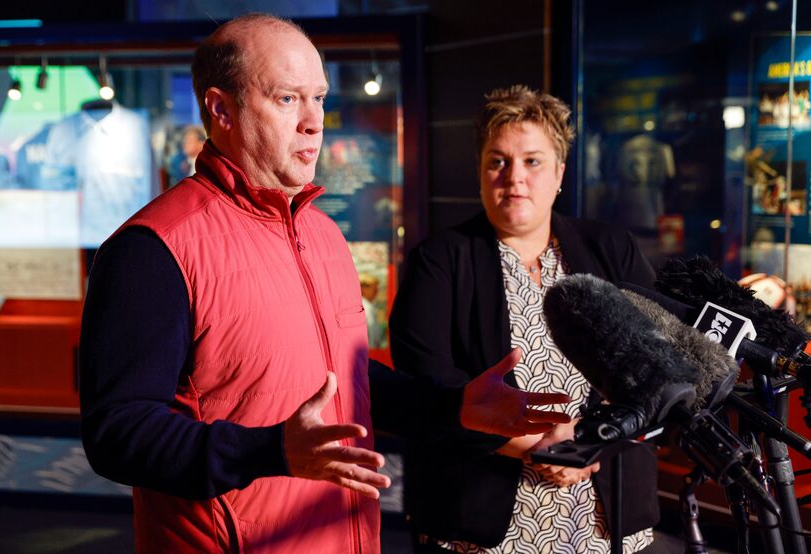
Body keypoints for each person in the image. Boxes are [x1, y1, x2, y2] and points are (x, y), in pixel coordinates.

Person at [79, 15, 572, 554]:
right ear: (221, 109)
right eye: (288, 98)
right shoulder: (153, 249)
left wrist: (454, 408)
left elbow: (349, 382)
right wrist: (270, 451)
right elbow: (118, 435)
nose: (314, 121)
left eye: (318, 98)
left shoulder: (323, 234)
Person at [389, 85, 660, 553]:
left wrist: (591, 442)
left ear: (559, 173)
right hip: (482, 516)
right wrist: (538, 446)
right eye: (498, 161)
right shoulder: (439, 260)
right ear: (479, 171)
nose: (514, 177)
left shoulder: (611, 249)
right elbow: (426, 379)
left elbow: (658, 361)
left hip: (605, 512)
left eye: (532, 161)